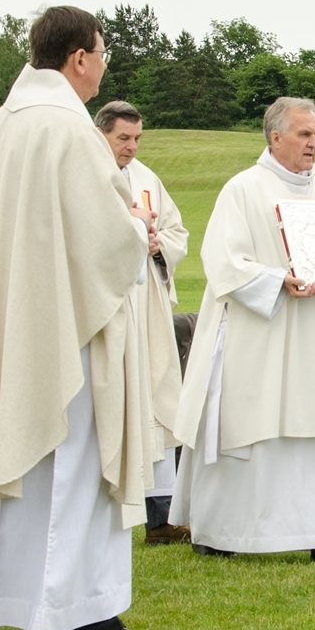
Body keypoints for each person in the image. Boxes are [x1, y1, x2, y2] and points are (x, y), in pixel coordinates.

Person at [0, 6, 162, 630]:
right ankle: (83, 611)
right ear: (78, 58)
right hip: (59, 325)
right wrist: (137, 229)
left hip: (7, 313)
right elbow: (102, 237)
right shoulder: (68, 131)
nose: (103, 66)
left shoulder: (7, 122)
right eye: (101, 54)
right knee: (69, 462)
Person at [170, 97, 315, 562]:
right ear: (275, 137)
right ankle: (227, 534)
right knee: (250, 425)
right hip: (257, 333)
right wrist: (278, 280)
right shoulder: (242, 189)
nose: (313, 143)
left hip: (312, 335)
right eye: (304, 134)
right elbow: (223, 262)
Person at [95, 100, 192, 544]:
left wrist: (155, 245)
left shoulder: (147, 178)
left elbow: (176, 233)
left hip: (148, 305)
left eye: (137, 139)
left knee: (158, 400)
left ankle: (162, 517)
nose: (131, 148)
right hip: (110, 305)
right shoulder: (90, 175)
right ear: (102, 135)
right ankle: (113, 508)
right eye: (123, 139)